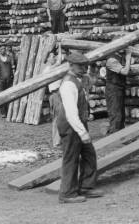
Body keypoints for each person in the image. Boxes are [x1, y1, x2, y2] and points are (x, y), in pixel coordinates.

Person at [56, 52, 103, 204]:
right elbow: (70, 113)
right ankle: (67, 193)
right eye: (81, 66)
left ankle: (86, 186)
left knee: (89, 154)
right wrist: (82, 133)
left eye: (85, 66)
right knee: (71, 158)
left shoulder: (79, 79)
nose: (84, 68)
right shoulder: (68, 84)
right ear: (70, 66)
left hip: (79, 123)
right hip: (70, 126)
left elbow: (92, 81)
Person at [105, 51, 131, 134]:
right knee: (115, 115)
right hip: (113, 89)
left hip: (119, 88)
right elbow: (125, 71)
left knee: (121, 115)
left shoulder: (119, 57)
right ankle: (113, 138)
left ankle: (120, 136)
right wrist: (128, 58)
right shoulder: (111, 60)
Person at [0, 43, 16, 118]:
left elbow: (13, 68)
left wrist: (14, 77)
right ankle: (2, 112)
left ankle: (8, 111)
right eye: (1, 49)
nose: (3, 50)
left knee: (9, 95)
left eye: (4, 49)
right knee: (1, 96)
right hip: (0, 80)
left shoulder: (10, 57)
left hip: (9, 80)